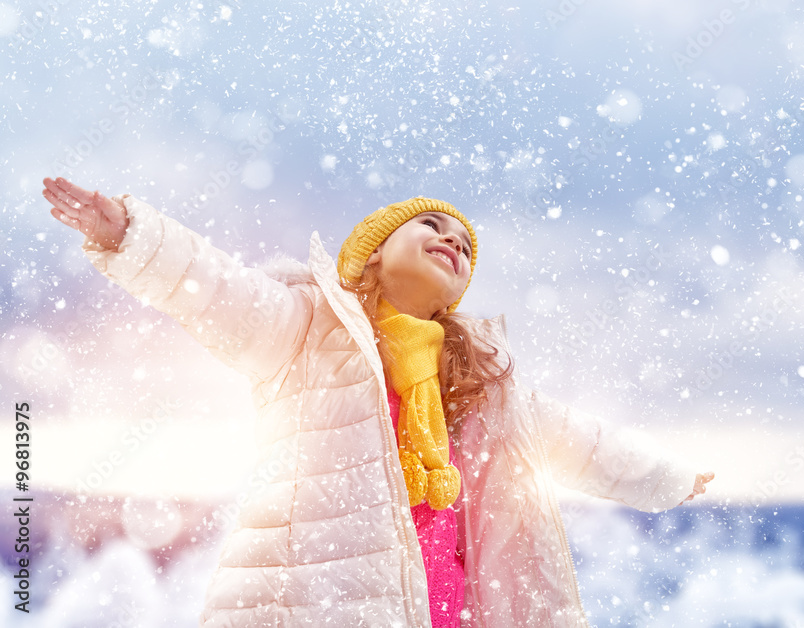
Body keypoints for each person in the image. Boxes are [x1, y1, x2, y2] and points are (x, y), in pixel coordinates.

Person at [42, 176, 714, 627]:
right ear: (372, 251)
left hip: (445, 610)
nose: (453, 239)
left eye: (465, 246)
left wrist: (669, 478)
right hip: (315, 605)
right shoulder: (305, 327)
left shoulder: (477, 381)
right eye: (431, 224)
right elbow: (220, 292)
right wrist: (130, 236)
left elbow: (578, 440)